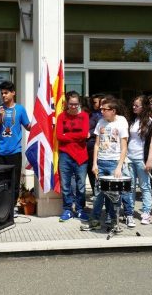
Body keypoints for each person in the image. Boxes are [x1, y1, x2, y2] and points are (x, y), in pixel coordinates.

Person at [83, 98, 129, 230]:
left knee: (114, 194)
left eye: (105, 109)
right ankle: (95, 220)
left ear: (113, 111)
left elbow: (124, 147)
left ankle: (113, 219)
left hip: (114, 162)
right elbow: (97, 144)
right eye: (101, 109)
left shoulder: (121, 123)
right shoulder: (100, 122)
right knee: (98, 193)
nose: (101, 111)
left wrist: (119, 166)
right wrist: (95, 164)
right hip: (101, 162)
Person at [0, 81, 30, 209]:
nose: (3, 95)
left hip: (14, 151)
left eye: (6, 93)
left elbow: (28, 126)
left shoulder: (20, 109)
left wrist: (42, 124)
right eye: (2, 93)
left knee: (14, 181)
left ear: (13, 93)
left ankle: (11, 208)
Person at [56, 91, 89, 222]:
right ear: (66, 104)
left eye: (76, 104)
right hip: (65, 155)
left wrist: (67, 137)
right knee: (66, 185)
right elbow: (59, 136)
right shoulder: (61, 117)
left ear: (79, 103)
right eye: (71, 104)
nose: (74, 107)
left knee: (81, 185)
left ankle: (80, 209)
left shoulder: (85, 116)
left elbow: (84, 134)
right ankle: (67, 209)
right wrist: (77, 137)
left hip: (81, 155)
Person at [127, 95, 152, 225]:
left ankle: (146, 212)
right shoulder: (131, 120)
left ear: (144, 107)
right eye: (133, 105)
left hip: (141, 158)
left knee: (145, 186)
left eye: (137, 105)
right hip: (129, 157)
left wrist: (149, 160)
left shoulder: (151, 122)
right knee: (130, 187)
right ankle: (129, 211)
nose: (134, 107)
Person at [85, 94, 103, 196]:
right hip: (85, 146)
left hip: (94, 146)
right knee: (88, 170)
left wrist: (90, 133)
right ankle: (95, 192)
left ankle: (98, 193)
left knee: (94, 171)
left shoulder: (98, 116)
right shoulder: (89, 114)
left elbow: (99, 128)